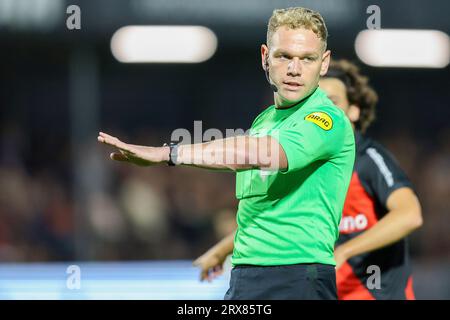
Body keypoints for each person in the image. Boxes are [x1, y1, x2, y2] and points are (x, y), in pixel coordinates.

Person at [97, 7, 355, 300]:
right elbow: (261, 211)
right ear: (265, 57)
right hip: (246, 275)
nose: (294, 69)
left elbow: (264, 153)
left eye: (307, 59)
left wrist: (168, 153)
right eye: (284, 56)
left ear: (324, 63)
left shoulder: (326, 119)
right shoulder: (265, 121)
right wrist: (224, 249)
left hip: (297, 278)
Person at [194, 59, 423, 300]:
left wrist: (344, 252)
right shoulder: (303, 162)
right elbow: (277, 219)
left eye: (332, 102)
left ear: (354, 110)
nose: (322, 111)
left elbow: (409, 215)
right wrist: (222, 250)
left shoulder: (368, 158)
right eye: (314, 104)